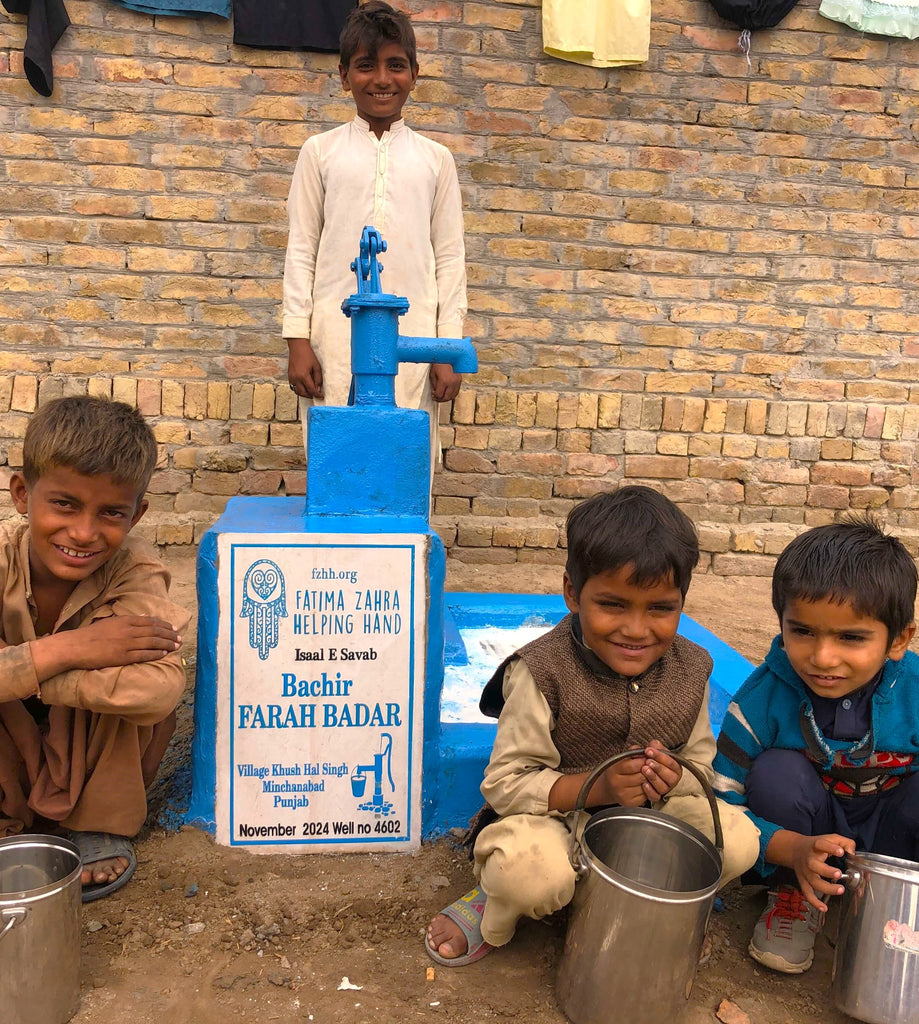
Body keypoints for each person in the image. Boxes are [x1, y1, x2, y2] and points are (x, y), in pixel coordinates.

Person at [426, 486, 760, 965]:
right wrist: (594, 788)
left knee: (739, 841)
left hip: (644, 824)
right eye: (614, 605)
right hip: (549, 823)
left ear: (682, 602)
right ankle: (492, 909)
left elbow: (700, 768)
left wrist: (675, 776)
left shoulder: (692, 669)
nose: (637, 629)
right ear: (571, 593)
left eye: (661, 608)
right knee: (528, 874)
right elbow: (505, 783)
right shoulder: (541, 671)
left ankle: (649, 911)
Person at [0, 396, 190, 902]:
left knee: (135, 702)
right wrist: (72, 648)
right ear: (22, 494)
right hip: (12, 744)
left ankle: (98, 823)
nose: (84, 533)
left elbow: (159, 689)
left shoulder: (135, 570)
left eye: (110, 513)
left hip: (89, 755)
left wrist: (19, 674)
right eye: (64, 504)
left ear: (137, 513)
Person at [713, 517, 919, 974]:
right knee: (774, 772)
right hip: (809, 832)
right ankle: (792, 893)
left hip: (893, 836)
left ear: (899, 639)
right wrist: (787, 848)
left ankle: (900, 902)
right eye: (802, 631)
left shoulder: (915, 692)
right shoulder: (762, 699)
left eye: (851, 637)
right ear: (781, 623)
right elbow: (722, 802)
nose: (823, 657)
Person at [282, 0, 468, 470]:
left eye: (395, 66)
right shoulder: (320, 152)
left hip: (413, 337)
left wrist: (446, 347)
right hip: (333, 335)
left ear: (414, 74)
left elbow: (449, 258)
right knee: (335, 458)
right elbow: (302, 247)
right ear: (344, 76)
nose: (381, 79)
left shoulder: (435, 159)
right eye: (366, 66)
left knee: (404, 458)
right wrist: (297, 340)